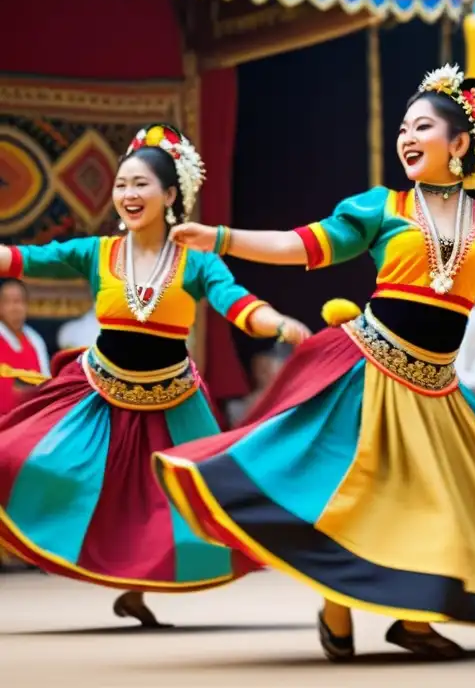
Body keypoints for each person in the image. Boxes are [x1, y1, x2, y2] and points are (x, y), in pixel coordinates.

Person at [151, 65, 475, 661]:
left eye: (422, 126)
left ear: (459, 144)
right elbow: (302, 244)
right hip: (369, 371)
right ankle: (338, 601)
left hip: (437, 387)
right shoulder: (381, 207)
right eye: (403, 127)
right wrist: (223, 238)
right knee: (350, 490)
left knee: (437, 504)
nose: (406, 136)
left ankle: (412, 620)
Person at [0, 123, 309, 627]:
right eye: (121, 185)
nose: (128, 194)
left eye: (141, 184)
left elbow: (236, 303)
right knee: (22, 457)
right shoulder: (96, 253)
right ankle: (118, 580)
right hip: (100, 393)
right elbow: (24, 259)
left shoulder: (196, 262)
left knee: (191, 503)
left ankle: (139, 590)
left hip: (174, 401)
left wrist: (275, 324)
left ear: (169, 195)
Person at [0, 279, 50, 414]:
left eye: (19, 301)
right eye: (8, 301)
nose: (15, 308)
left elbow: (47, 384)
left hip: (29, 423)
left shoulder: (35, 340)